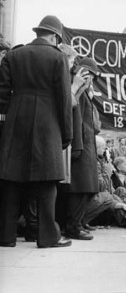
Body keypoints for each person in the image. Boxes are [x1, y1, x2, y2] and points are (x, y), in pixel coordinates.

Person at [0, 15, 73, 248]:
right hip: (47, 124)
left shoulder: (13, 55)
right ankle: (48, 236)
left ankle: (5, 235)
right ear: (54, 36)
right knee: (47, 183)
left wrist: (6, 122)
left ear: (38, 32)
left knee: (11, 180)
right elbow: (63, 99)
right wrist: (66, 133)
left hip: (15, 122)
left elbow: (1, 96)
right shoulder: (58, 58)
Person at [64, 57, 101, 241]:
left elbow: (94, 124)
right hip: (80, 144)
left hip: (86, 144)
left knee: (87, 187)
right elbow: (75, 119)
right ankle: (73, 226)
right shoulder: (77, 90)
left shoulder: (84, 92)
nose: (91, 81)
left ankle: (78, 222)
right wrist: (76, 145)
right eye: (91, 76)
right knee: (80, 187)